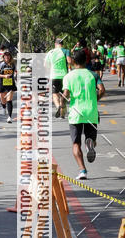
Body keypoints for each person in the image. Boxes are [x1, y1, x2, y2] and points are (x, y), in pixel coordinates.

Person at [62, 47, 105, 180]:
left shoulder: (68, 76)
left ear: (73, 61)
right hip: (91, 112)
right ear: (86, 61)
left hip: (76, 114)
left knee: (76, 144)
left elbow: (66, 95)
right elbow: (102, 90)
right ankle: (90, 143)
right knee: (91, 139)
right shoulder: (93, 75)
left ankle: (82, 170)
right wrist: (95, 99)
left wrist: (62, 106)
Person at [45, 37, 69, 118]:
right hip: (64, 76)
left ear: (55, 44)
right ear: (62, 44)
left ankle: (58, 106)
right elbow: (69, 61)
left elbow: (45, 65)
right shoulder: (65, 51)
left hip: (54, 76)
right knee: (64, 94)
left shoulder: (50, 52)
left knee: (55, 94)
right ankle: (62, 112)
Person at [0, 49, 17, 122]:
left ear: (10, 56)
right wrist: (4, 76)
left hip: (10, 84)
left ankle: (9, 117)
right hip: (1, 83)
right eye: (5, 55)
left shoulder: (13, 64)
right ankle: (3, 106)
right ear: (3, 56)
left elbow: (16, 72)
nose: (7, 56)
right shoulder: (0, 64)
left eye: (8, 55)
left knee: (9, 100)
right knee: (3, 100)